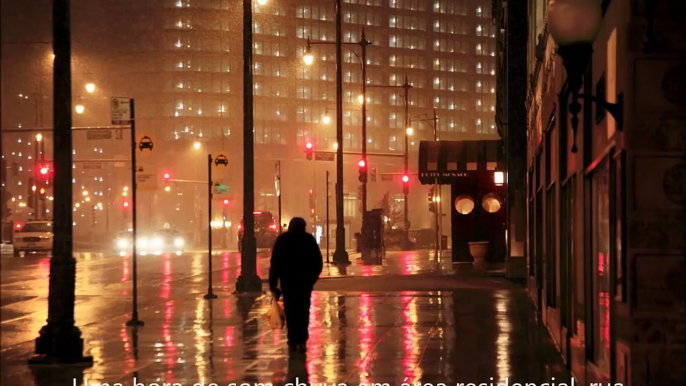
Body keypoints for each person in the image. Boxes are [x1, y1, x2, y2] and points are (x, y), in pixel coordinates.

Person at [269, 217, 323, 356]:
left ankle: (293, 340)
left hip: (289, 283)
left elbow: (275, 264)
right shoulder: (308, 240)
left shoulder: (283, 240)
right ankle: (302, 340)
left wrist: (273, 284)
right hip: (304, 284)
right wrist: (311, 279)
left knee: (291, 313)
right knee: (303, 312)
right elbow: (318, 262)